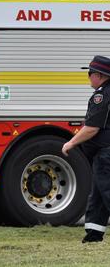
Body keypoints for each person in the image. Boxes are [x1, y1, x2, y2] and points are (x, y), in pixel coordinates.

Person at [62, 55, 110, 243]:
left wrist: (71, 143)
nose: (88, 77)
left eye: (89, 73)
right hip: (103, 153)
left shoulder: (102, 95)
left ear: (99, 75)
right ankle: (94, 233)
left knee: (106, 191)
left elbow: (92, 128)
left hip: (106, 153)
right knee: (99, 193)